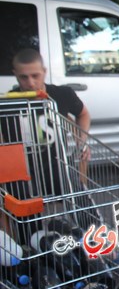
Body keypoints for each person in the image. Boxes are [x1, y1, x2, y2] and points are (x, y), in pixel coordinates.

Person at [8, 48, 91, 194]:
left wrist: (82, 140)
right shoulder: (8, 101)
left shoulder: (62, 94)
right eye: (23, 77)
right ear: (15, 75)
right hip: (23, 171)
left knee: (70, 208)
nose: (31, 83)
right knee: (26, 214)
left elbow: (83, 114)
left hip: (57, 165)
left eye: (35, 76)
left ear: (44, 71)